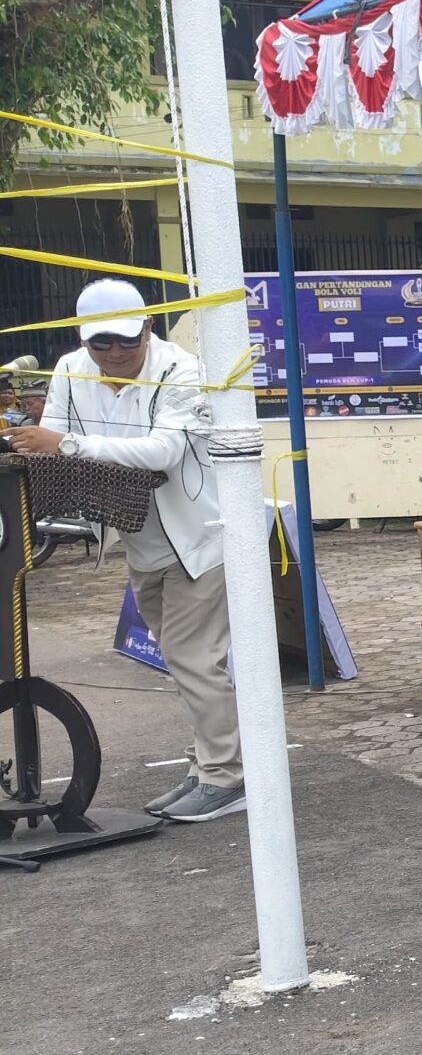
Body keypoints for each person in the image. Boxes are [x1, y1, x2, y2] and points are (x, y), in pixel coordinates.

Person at [11, 281, 239, 821]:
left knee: (194, 661)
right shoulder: (71, 369)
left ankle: (226, 776)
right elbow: (49, 443)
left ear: (148, 328)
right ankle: (206, 766)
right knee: (181, 663)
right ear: (82, 338)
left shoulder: (181, 370)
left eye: (126, 341)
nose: (115, 352)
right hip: (139, 539)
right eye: (101, 342)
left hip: (200, 538)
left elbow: (163, 451)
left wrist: (65, 444)